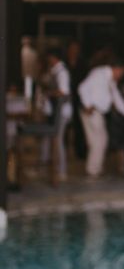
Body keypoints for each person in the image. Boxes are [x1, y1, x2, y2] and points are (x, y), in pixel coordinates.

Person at [78, 59, 124, 178]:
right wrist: (88, 104)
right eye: (121, 73)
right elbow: (82, 87)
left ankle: (94, 169)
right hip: (92, 111)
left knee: (96, 141)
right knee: (100, 140)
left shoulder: (111, 81)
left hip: (97, 113)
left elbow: (117, 99)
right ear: (117, 69)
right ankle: (93, 170)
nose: (121, 76)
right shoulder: (99, 73)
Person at [40, 48, 73, 181]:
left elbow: (63, 92)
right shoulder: (54, 71)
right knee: (52, 139)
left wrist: (49, 93)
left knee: (58, 140)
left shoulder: (62, 72)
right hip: (56, 111)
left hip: (61, 111)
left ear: (53, 58)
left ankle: (61, 170)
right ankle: (49, 167)